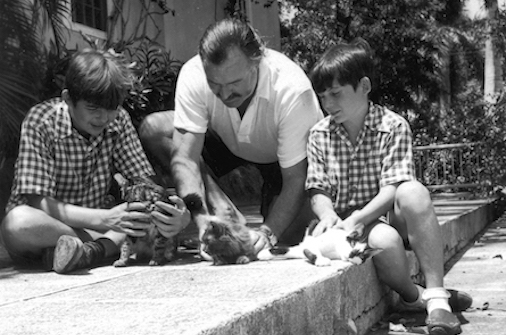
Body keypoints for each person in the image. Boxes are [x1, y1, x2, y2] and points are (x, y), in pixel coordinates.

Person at [306, 39, 471, 335]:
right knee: (386, 242)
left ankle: (437, 298)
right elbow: (317, 187)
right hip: (348, 223)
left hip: (382, 212)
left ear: (364, 86)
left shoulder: (393, 125)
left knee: (413, 191)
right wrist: (327, 213)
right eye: (322, 96)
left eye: (336, 93)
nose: (328, 104)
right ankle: (414, 298)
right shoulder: (319, 133)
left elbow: (393, 186)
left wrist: (360, 218)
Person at [139, 19, 323, 257]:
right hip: (227, 142)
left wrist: (267, 233)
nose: (225, 94)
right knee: (156, 128)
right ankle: (221, 205)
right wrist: (202, 218)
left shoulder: (293, 91)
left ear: (257, 62)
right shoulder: (194, 74)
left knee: (288, 238)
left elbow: (296, 180)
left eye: (235, 83)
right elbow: (185, 159)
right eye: (215, 84)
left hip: (285, 163)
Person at [0, 49, 191, 274]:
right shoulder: (41, 121)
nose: (103, 118)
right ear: (68, 99)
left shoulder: (118, 121)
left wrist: (179, 216)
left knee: (138, 220)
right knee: (17, 222)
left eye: (111, 109)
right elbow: (38, 201)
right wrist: (106, 219)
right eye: (93, 109)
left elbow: (145, 183)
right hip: (48, 227)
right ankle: (98, 248)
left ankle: (81, 252)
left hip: (99, 224)